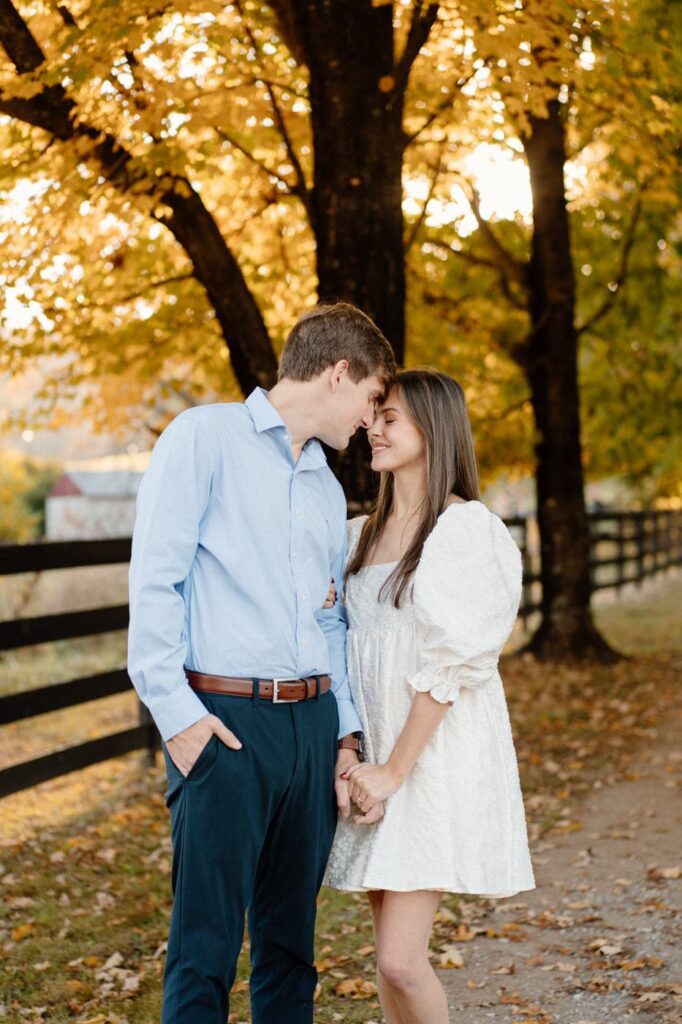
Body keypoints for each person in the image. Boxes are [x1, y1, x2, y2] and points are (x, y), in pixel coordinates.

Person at [127, 302, 396, 1024]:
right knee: (204, 945)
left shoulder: (323, 485)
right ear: (339, 373)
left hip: (310, 731)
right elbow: (156, 584)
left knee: (289, 948)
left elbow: (331, 618)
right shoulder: (203, 437)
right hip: (224, 724)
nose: (373, 422)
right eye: (373, 398)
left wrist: (344, 737)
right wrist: (180, 721)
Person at [324, 368, 535, 1024]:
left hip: (427, 761)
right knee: (387, 961)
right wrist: (351, 751)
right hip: (373, 760)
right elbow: (342, 650)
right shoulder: (360, 534)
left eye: (391, 418)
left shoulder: (463, 531)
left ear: (432, 428)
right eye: (374, 415)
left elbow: (455, 663)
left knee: (400, 962)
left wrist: (394, 770)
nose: (374, 429)